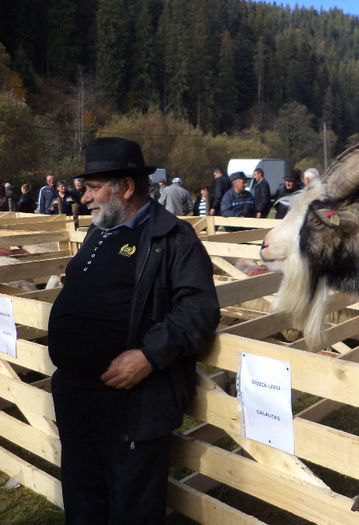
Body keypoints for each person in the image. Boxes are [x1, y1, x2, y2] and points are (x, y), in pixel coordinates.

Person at [48, 136, 220, 524]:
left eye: (94, 188)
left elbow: (199, 309)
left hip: (131, 405)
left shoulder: (174, 238)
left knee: (131, 510)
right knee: (83, 501)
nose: (85, 197)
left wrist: (148, 355)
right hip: (76, 398)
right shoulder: (99, 231)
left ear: (126, 187)